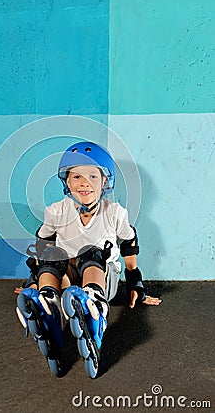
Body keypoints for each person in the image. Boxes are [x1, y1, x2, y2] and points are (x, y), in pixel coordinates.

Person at [15, 141, 161, 378]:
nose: (84, 183)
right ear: (67, 182)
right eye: (76, 177)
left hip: (103, 279)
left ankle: (94, 306)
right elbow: (44, 246)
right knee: (55, 255)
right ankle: (49, 303)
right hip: (69, 281)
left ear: (105, 181)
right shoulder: (56, 211)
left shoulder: (115, 213)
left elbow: (128, 243)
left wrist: (135, 283)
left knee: (91, 252)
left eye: (93, 176)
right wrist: (35, 280)